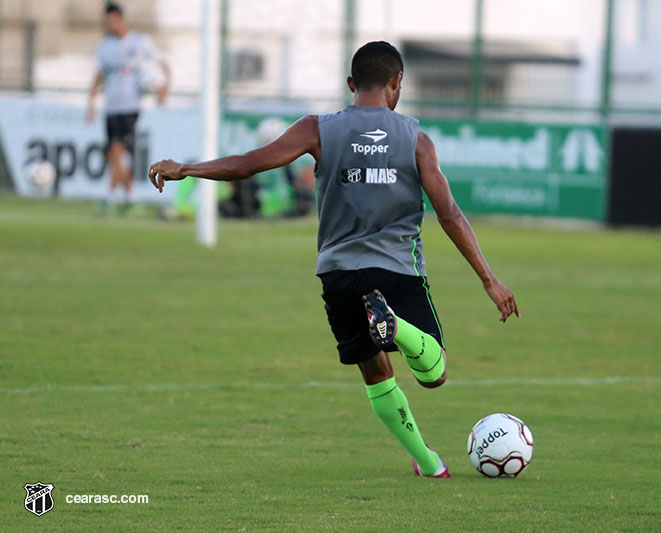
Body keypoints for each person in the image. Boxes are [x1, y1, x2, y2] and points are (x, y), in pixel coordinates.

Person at [148, 41, 519, 478]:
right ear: (397, 82)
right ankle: (396, 327)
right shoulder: (416, 139)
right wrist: (489, 280)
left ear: (350, 84)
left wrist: (187, 169)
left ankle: (428, 462)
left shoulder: (317, 129)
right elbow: (449, 214)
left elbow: (249, 164)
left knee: (376, 375)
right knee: (433, 373)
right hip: (396, 270)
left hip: (339, 275)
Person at [87, 2, 170, 210]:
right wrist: (91, 102)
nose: (109, 25)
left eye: (112, 21)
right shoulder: (104, 45)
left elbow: (163, 64)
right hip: (111, 107)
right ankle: (130, 196)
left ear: (120, 20)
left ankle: (112, 196)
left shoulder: (140, 42)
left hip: (130, 107)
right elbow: (98, 75)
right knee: (114, 154)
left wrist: (163, 90)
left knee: (117, 149)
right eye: (107, 22)